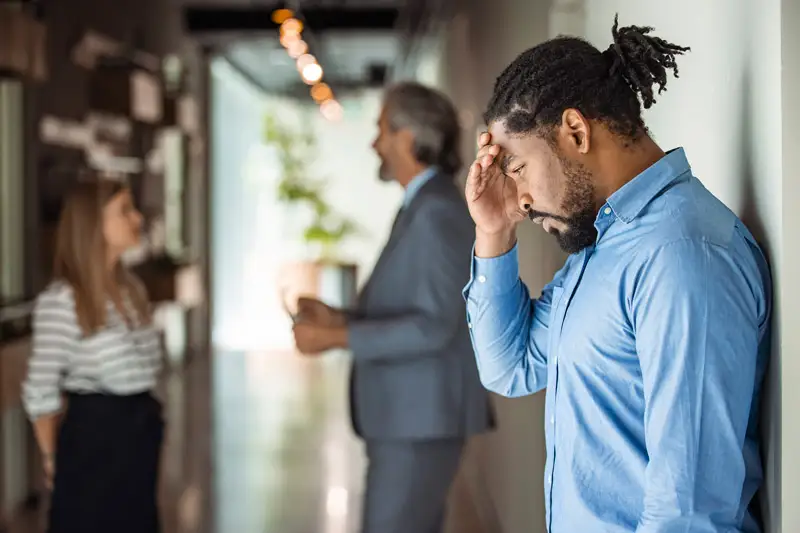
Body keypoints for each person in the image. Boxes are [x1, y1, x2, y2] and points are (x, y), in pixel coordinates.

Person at [464, 15, 771, 533]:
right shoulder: (602, 246)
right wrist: (494, 230)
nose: (520, 196)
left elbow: (688, 514)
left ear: (575, 131)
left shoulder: (681, 255)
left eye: (516, 168)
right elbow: (510, 367)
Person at [292, 82, 493, 533]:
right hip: (411, 418)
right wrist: (338, 318)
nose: (374, 143)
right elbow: (416, 304)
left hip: (419, 421)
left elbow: (436, 325)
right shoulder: (422, 204)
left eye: (381, 129)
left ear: (407, 138)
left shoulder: (437, 210)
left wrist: (335, 337)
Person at [22, 179, 164, 533]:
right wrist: (54, 458)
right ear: (93, 225)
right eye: (124, 211)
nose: (137, 218)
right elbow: (39, 389)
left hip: (139, 434)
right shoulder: (62, 301)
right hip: (94, 442)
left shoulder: (132, 291)